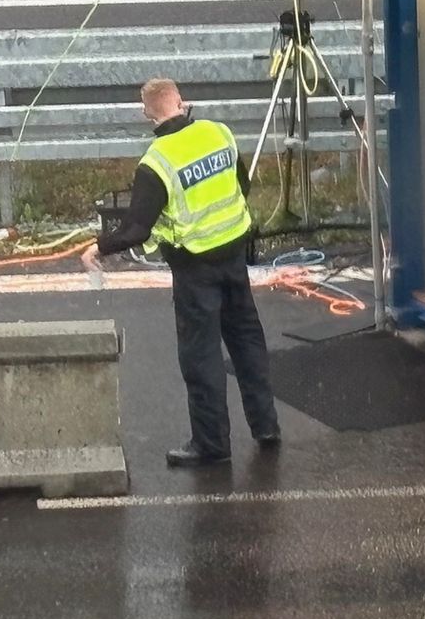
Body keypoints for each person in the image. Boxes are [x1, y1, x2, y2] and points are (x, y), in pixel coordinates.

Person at [83, 77, 281, 467]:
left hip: (195, 267)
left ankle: (212, 444)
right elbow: (241, 184)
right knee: (247, 343)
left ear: (147, 114)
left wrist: (99, 247)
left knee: (201, 356)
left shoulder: (157, 162)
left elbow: (137, 228)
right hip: (234, 252)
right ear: (181, 103)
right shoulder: (218, 133)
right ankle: (266, 426)